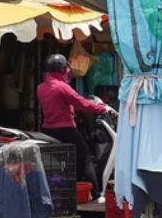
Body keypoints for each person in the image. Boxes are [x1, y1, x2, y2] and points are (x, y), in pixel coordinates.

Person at [36, 53, 110, 199]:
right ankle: (96, 194)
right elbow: (81, 103)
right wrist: (103, 109)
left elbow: (57, 104)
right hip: (66, 128)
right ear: (62, 70)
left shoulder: (40, 88)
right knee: (85, 158)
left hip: (48, 129)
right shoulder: (62, 87)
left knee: (60, 161)